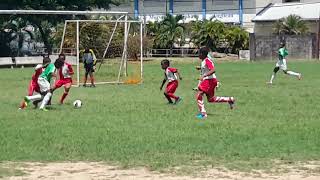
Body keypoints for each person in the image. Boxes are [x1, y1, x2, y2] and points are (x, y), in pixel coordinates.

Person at [195, 47, 235, 119]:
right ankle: (229, 99)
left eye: (199, 53)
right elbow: (207, 69)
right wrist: (200, 68)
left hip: (209, 80)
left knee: (199, 95)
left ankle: (203, 114)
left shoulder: (207, 60)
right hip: (211, 80)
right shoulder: (204, 60)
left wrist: (204, 75)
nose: (198, 55)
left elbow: (213, 70)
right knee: (211, 99)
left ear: (202, 54)